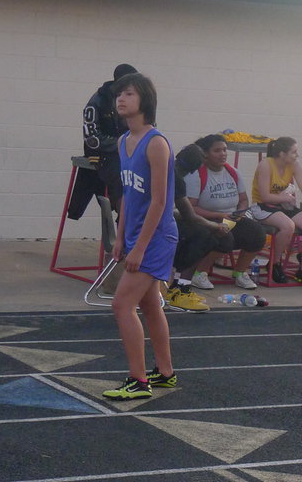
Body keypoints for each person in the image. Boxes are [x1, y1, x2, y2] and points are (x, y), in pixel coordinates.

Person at [103, 72, 178, 401]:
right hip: (134, 234)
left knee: (121, 305)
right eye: (119, 94)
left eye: (129, 94)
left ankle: (138, 380)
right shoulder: (123, 142)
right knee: (148, 305)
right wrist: (120, 238)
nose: (121, 99)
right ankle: (165, 373)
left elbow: (160, 201)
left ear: (144, 100)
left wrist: (141, 248)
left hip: (157, 237)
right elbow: (128, 197)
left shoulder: (156, 143)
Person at [184, 134, 266, 291]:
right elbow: (191, 207)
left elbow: (243, 199)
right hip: (206, 219)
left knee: (257, 233)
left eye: (224, 150)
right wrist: (219, 216)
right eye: (217, 151)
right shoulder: (196, 174)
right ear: (206, 154)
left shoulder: (233, 172)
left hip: (231, 217)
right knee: (224, 236)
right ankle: (199, 273)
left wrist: (240, 212)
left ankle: (239, 273)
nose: (223, 154)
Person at [67, 63, 137, 220]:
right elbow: (92, 139)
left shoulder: (138, 100)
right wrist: (122, 143)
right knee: (120, 176)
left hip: (130, 151)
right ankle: (125, 222)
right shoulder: (98, 101)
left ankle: (139, 220)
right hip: (105, 154)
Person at [250, 137, 302, 286]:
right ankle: (275, 263)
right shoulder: (266, 165)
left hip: (283, 205)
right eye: (294, 152)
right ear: (282, 154)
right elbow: (264, 196)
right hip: (263, 206)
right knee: (288, 225)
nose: (297, 155)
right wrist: (282, 197)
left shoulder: (294, 165)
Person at [165, 144, 222, 312]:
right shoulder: (176, 177)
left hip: (147, 222)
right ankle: (180, 289)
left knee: (199, 233)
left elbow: (172, 211)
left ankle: (178, 285)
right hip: (155, 228)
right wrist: (215, 225)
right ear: (194, 168)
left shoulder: (169, 169)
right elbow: (189, 215)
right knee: (205, 236)